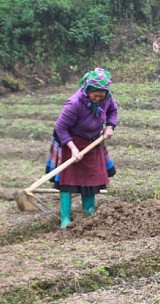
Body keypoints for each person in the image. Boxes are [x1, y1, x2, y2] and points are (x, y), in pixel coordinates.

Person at [45, 67, 118, 229]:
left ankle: (89, 212)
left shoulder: (107, 99)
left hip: (92, 141)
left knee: (91, 178)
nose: (98, 98)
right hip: (70, 141)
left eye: (102, 95)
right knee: (67, 180)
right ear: (87, 89)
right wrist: (72, 148)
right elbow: (60, 128)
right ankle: (65, 218)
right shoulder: (74, 103)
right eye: (95, 94)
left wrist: (110, 126)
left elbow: (113, 111)